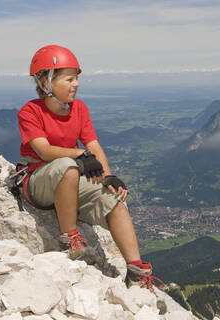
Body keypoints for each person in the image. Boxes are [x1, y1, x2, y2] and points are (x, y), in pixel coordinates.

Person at [16, 44, 162, 291]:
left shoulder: (80, 109)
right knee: (68, 166)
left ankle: (136, 272)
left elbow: (93, 144)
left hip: (67, 179)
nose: (77, 84)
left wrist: (109, 176)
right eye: (70, 79)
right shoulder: (30, 111)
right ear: (46, 82)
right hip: (36, 181)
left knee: (114, 199)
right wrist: (79, 154)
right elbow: (43, 150)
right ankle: (70, 238)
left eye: (77, 79)